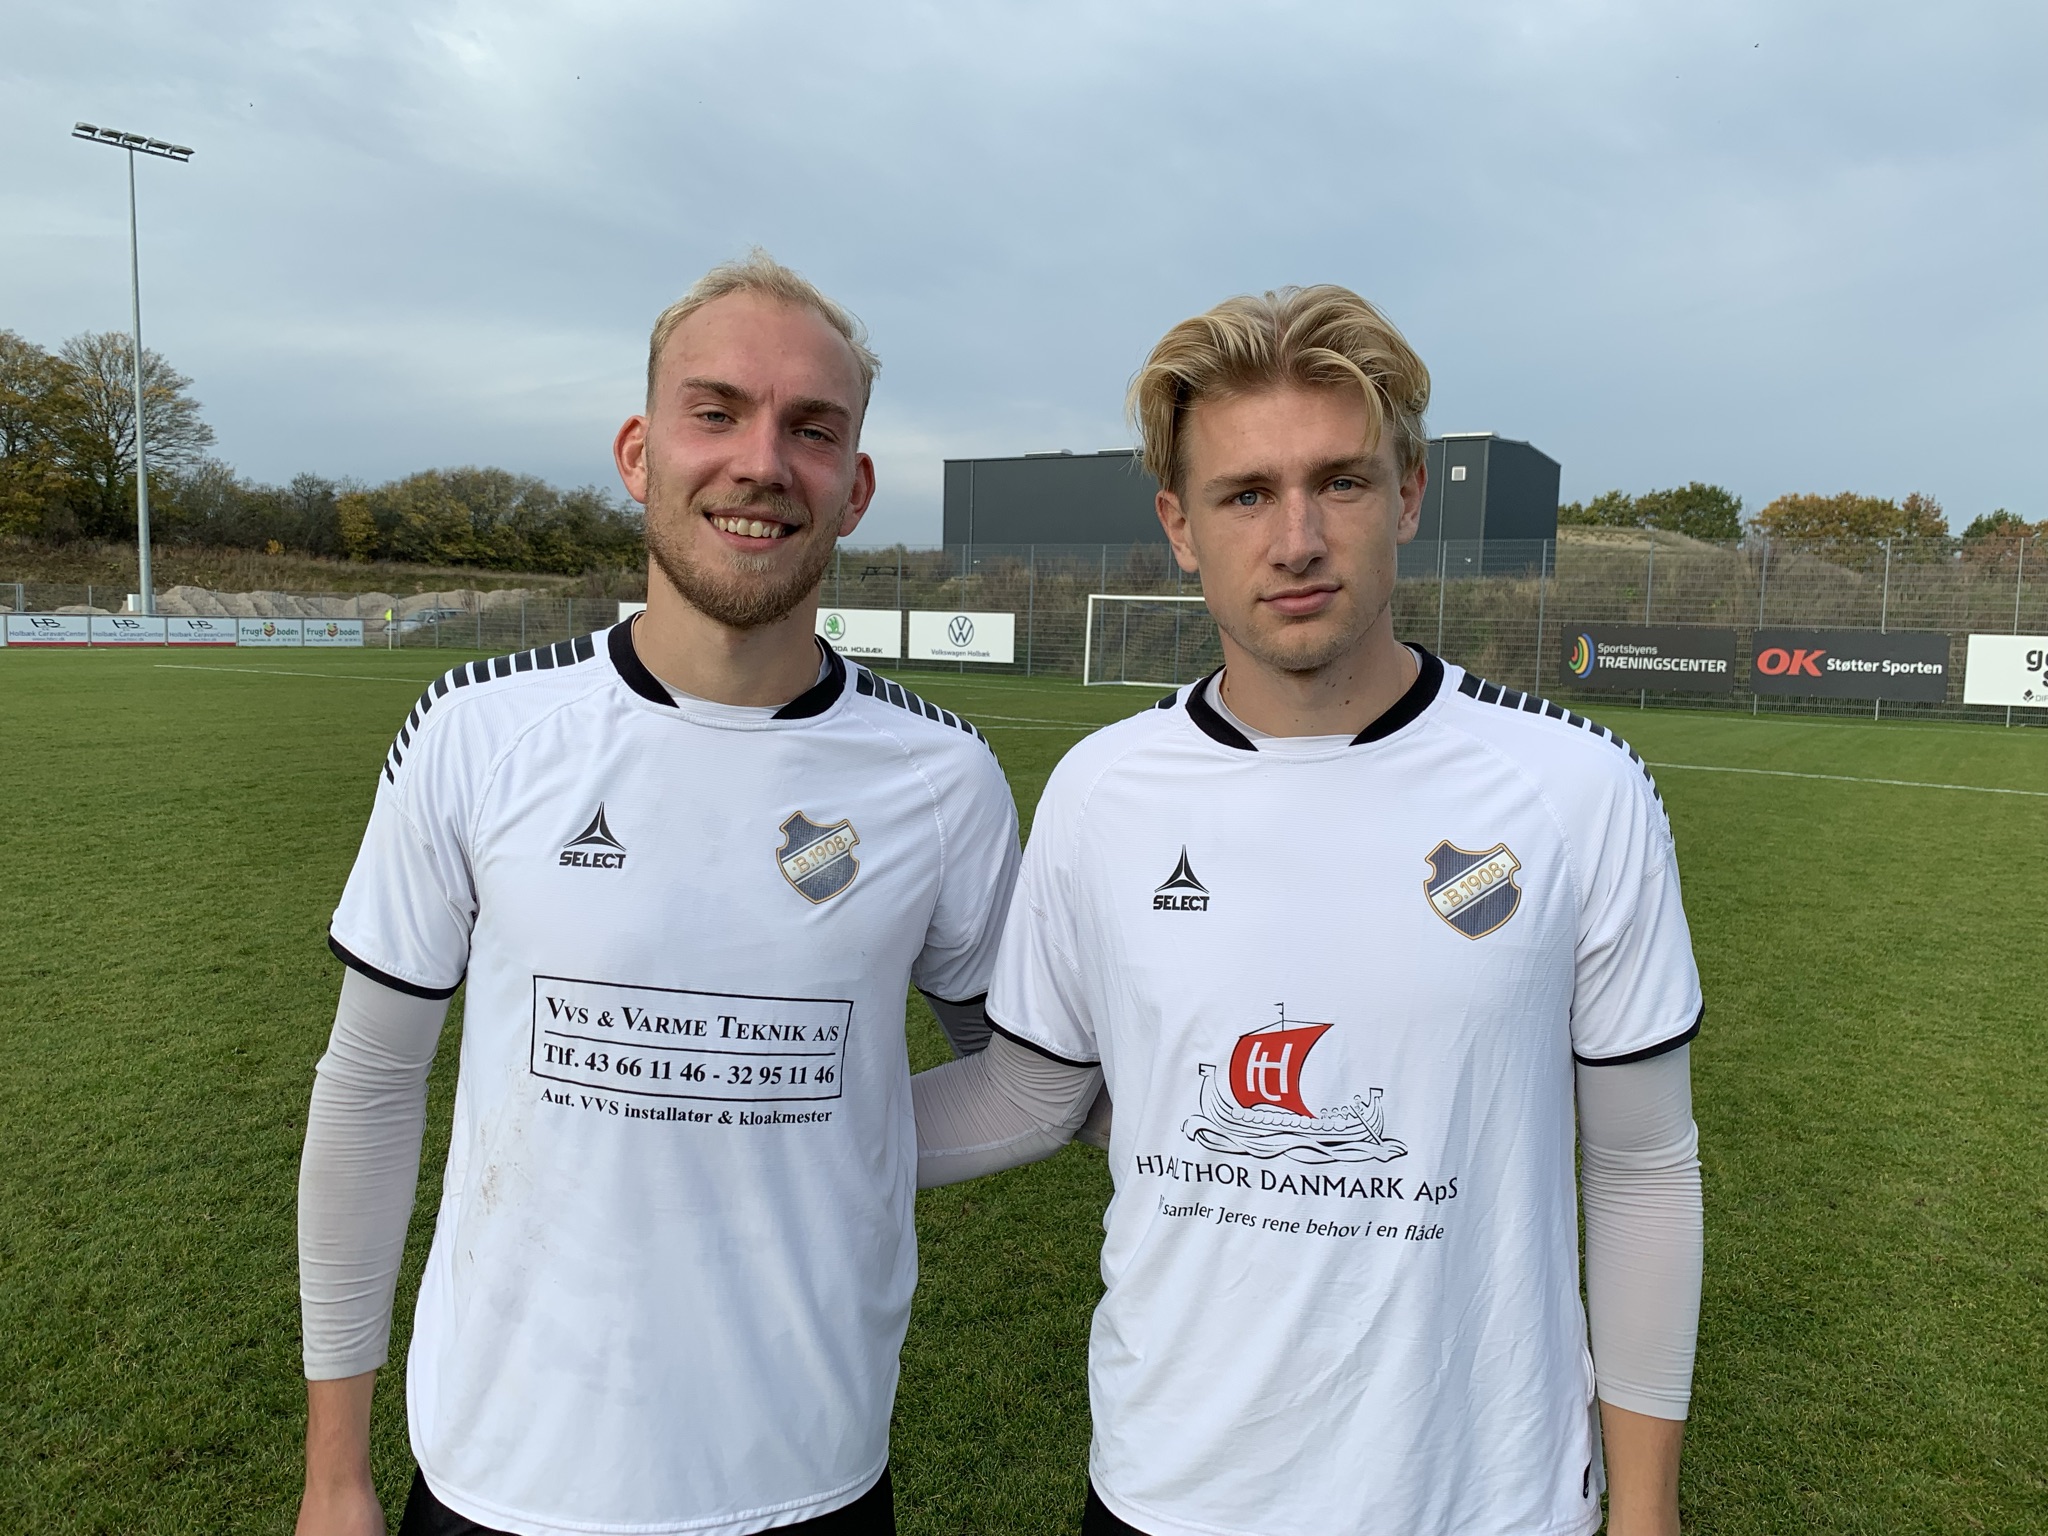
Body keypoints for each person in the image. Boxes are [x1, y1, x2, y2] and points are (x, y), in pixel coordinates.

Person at [911, 285, 1704, 1536]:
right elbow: (1028, 1096)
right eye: (1244, 494)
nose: (1295, 539)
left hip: (1481, 1502)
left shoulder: (1573, 791)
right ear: (1178, 526)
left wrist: (1646, 1514)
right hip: (1165, 1494)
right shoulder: (1100, 791)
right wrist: (754, 1129)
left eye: (1337, 483)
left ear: (1407, 495)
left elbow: (1641, 1164)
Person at [296, 251, 1020, 1536]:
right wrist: (335, 1474)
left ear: (854, 489)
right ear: (640, 453)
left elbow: (1021, 1079)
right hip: (501, 1479)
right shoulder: (477, 731)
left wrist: (801, 1118)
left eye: (811, 429)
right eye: (715, 411)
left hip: (806, 1478)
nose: (761, 462)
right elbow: (369, 1087)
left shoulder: (940, 778)